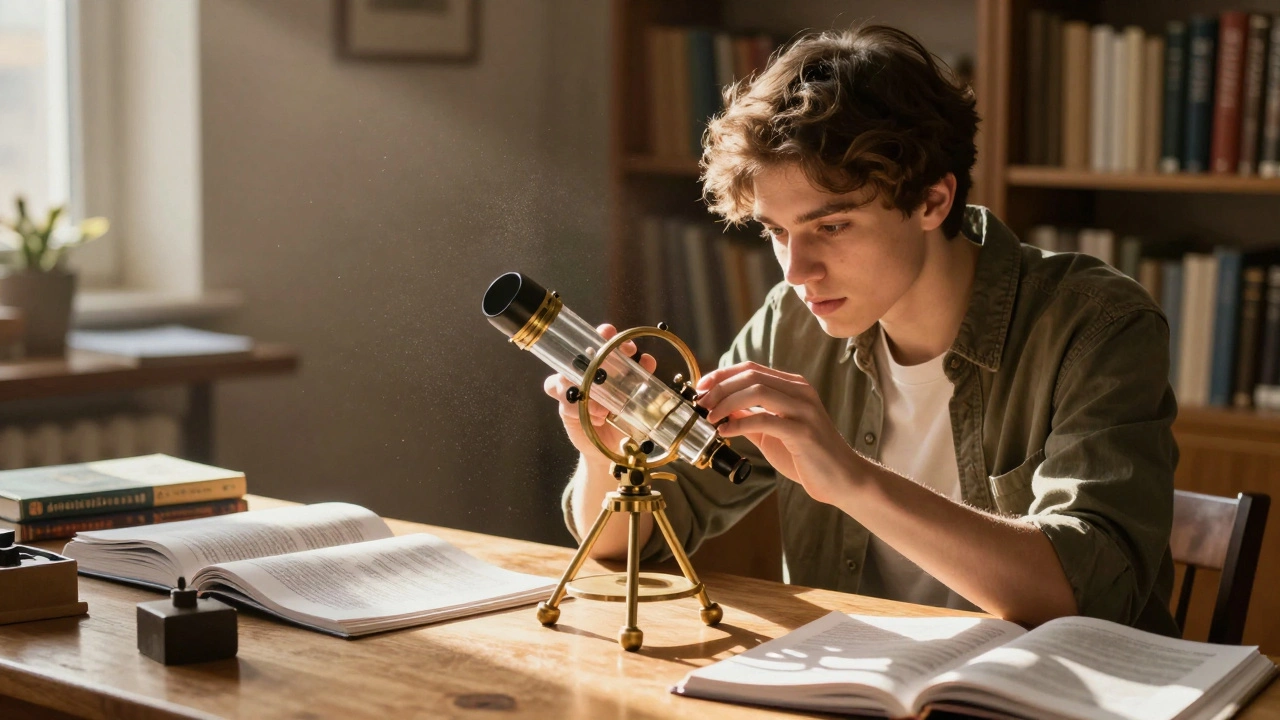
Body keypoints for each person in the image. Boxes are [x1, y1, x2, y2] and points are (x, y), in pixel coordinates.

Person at [547, 24, 1179, 634]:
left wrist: (852, 479)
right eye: (775, 231)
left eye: (832, 226)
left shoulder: (1096, 325)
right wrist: (604, 454)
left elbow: (1093, 598)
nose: (796, 270)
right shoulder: (791, 320)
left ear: (932, 201)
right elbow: (636, 545)